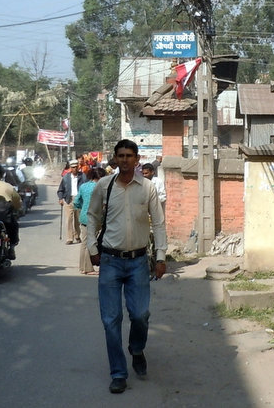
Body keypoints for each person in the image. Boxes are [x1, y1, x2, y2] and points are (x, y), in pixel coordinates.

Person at [87, 139, 167, 394]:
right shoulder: (104, 185)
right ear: (115, 158)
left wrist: (162, 256)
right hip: (110, 261)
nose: (124, 159)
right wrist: (92, 248)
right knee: (111, 320)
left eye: (129, 155)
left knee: (140, 314)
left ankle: (136, 347)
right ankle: (118, 373)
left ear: (136, 159)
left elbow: (159, 223)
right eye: (120, 155)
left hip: (138, 262)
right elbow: (93, 217)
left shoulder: (147, 188)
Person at [74, 167, 105, 275]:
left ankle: (83, 266)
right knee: (91, 242)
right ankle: (87, 268)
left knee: (84, 242)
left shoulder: (83, 186)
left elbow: (76, 201)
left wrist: (83, 207)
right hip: (95, 218)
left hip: (84, 217)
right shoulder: (101, 188)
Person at [57, 159, 87, 245]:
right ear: (70, 168)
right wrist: (60, 198)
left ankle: (77, 236)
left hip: (79, 200)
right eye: (73, 167)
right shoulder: (66, 177)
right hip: (68, 200)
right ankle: (70, 238)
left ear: (78, 167)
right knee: (69, 220)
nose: (75, 169)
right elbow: (60, 190)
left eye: (76, 167)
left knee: (78, 220)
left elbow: (87, 186)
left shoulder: (83, 176)